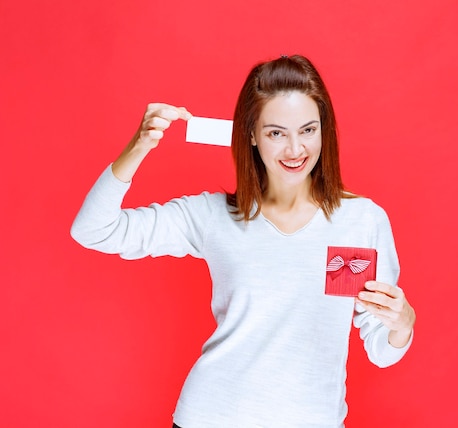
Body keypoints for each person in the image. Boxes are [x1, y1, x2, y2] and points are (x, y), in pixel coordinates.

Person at [71, 54, 415, 428]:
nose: (295, 149)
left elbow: (382, 350)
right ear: (250, 134)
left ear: (324, 129)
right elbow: (94, 230)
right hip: (211, 417)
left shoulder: (361, 221)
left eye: (307, 130)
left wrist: (403, 323)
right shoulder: (212, 216)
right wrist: (137, 149)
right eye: (276, 133)